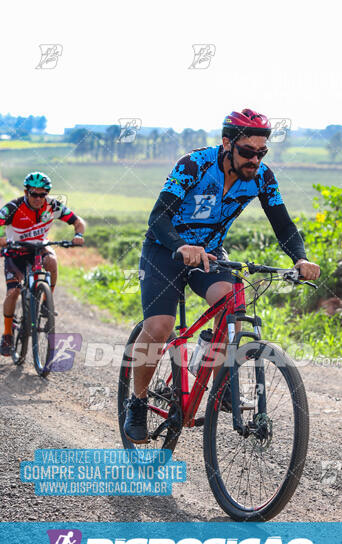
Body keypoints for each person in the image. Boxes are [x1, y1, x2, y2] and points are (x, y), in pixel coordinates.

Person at [124, 108, 320, 444]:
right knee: (159, 328)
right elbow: (157, 218)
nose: (255, 160)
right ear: (227, 143)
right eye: (247, 152)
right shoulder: (194, 165)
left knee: (232, 304)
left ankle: (217, 372)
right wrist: (181, 246)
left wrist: (300, 258)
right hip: (164, 250)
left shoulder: (262, 177)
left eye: (262, 153)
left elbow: (283, 225)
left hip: (210, 256)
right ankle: (137, 402)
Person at [0, 172, 85, 356]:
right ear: (26, 191)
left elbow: (78, 222)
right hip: (16, 252)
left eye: (42, 194)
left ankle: (47, 302)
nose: (38, 198)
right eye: (34, 194)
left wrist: (78, 235)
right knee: (13, 291)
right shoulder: (13, 207)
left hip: (39, 248)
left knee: (52, 261)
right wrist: (2, 238)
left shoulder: (53, 206)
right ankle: (7, 333)